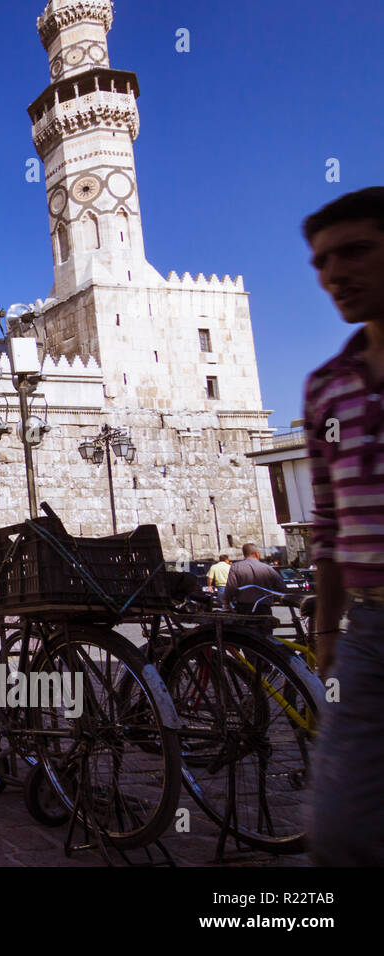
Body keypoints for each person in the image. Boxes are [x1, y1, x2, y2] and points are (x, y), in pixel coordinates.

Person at [301, 186, 384, 865]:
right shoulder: (328, 385)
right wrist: (327, 629)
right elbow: (326, 519)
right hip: (371, 632)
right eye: (323, 262)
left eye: (355, 251)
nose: (334, 275)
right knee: (342, 832)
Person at [223, 543, 285, 613]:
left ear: (244, 554)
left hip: (243, 608)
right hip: (263, 607)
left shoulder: (235, 567)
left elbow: (231, 587)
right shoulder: (267, 568)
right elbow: (281, 586)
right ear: (257, 554)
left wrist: (226, 602)